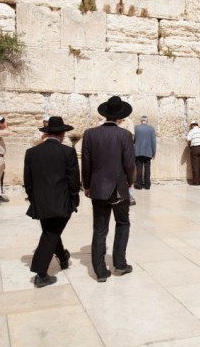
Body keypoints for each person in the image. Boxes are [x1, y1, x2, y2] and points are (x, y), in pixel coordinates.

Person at [82, 96, 135, 282]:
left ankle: (100, 272)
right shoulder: (125, 135)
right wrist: (130, 181)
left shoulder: (89, 134)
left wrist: (86, 185)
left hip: (97, 188)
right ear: (120, 116)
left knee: (100, 228)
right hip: (119, 188)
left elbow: (86, 163)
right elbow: (129, 163)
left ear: (105, 114)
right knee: (123, 223)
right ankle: (120, 264)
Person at [24, 116, 80, 288]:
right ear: (62, 134)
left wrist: (34, 199)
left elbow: (28, 181)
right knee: (50, 234)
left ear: (47, 133)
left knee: (51, 230)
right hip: (61, 202)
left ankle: (63, 257)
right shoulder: (68, 152)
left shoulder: (32, 153)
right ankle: (40, 274)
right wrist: (74, 201)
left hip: (40, 202)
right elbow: (73, 181)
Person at [134, 116, 156, 190]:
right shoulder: (151, 129)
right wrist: (154, 152)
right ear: (147, 121)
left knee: (139, 168)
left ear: (141, 121)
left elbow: (133, 140)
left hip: (138, 152)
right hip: (148, 152)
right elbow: (153, 142)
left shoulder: (136, 128)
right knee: (147, 168)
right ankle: (147, 185)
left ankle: (139, 185)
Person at [120, 117, 137, 205]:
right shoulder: (105, 121)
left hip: (125, 151)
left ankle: (129, 197)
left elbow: (131, 137)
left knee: (128, 173)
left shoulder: (128, 121)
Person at [186, 120, 200, 185]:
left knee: (195, 165)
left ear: (192, 125)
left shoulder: (191, 131)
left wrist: (188, 145)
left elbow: (188, 139)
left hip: (194, 149)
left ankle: (196, 182)